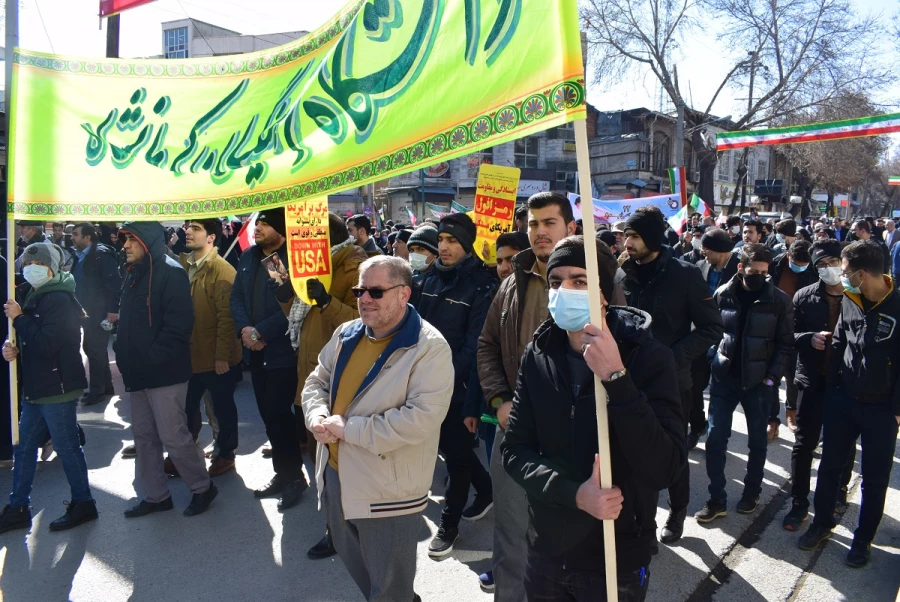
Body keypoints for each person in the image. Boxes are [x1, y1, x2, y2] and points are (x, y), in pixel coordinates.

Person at [502, 235, 686, 601]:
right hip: (546, 550)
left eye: (580, 281)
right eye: (556, 282)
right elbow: (515, 451)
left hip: (615, 557)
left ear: (603, 292)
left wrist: (617, 380)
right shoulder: (537, 354)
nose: (564, 291)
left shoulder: (648, 358)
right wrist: (573, 495)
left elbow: (665, 468)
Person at [301, 256, 453, 602]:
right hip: (338, 473)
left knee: (388, 585)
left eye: (375, 291)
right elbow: (317, 380)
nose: (363, 298)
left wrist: (347, 429)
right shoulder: (347, 332)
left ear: (404, 295)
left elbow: (420, 420)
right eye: (359, 290)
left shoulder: (429, 347)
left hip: (388, 489)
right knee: (366, 574)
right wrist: (316, 415)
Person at [476, 190, 578, 598]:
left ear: (570, 227)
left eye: (549, 222)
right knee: (511, 531)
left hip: (572, 434)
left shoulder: (595, 280)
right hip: (515, 429)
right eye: (533, 223)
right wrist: (500, 400)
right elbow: (487, 345)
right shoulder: (510, 283)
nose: (539, 231)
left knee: (568, 536)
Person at [617, 205, 724, 545]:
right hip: (625, 381)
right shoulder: (621, 274)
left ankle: (678, 511)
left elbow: (711, 328)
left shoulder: (686, 274)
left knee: (672, 454)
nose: (626, 243)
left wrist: (671, 357)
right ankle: (640, 519)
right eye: (625, 236)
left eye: (633, 237)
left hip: (673, 382)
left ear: (650, 238)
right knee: (630, 452)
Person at [797, 240, 900, 567]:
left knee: (874, 478)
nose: (839, 278)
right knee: (829, 467)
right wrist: (834, 389)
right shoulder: (852, 298)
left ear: (861, 273)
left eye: (844, 272)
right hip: (843, 401)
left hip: (882, 411)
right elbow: (841, 339)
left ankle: (863, 540)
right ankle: (821, 523)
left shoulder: (897, 304)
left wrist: (897, 411)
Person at [275, 212, 367, 560]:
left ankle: (342, 531)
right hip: (314, 369)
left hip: (340, 376)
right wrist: (289, 293)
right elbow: (301, 313)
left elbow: (363, 320)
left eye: (304, 241)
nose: (298, 248)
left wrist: (327, 301)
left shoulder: (353, 263)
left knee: (338, 461)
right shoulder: (313, 265)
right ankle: (336, 523)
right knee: (322, 457)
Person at [115, 222, 218, 518]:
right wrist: (126, 358)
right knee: (145, 437)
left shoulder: (171, 272)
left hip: (165, 373)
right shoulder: (133, 273)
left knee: (173, 436)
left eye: (131, 241)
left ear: (146, 242)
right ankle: (157, 495)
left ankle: (202, 487)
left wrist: (149, 358)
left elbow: (178, 327)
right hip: (138, 374)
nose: (125, 246)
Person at [414, 212, 498, 558]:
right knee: (450, 449)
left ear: (466, 245)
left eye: (452, 241)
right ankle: (487, 489)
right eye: (442, 240)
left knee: (458, 456)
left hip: (458, 387)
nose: (443, 246)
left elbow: (475, 344)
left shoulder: (482, 284)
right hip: (423, 382)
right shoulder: (427, 278)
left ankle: (449, 525)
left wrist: (441, 376)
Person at [0, 243, 97, 534]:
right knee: (25, 447)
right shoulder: (32, 295)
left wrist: (19, 319)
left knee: (67, 447)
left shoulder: (59, 299)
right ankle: (18, 505)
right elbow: (30, 339)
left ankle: (84, 502)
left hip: (58, 387)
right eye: (28, 264)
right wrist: (11, 348)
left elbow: (47, 343)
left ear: (52, 268)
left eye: (38, 264)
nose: (31, 269)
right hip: (36, 386)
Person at [695, 243, 793, 524]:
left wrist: (772, 377)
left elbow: (785, 345)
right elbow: (712, 331)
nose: (759, 277)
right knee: (715, 439)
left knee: (758, 442)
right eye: (753, 271)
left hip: (759, 383)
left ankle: (752, 492)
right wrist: (714, 358)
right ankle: (716, 499)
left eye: (764, 272)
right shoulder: (723, 294)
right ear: (740, 269)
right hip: (724, 379)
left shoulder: (780, 301)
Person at [230, 207, 308, 510]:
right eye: (256, 222)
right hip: (256, 351)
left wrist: (260, 331)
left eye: (264, 223)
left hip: (283, 352)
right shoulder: (249, 257)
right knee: (267, 415)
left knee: (279, 413)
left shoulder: (288, 259)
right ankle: (283, 473)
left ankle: (294, 478)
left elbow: (293, 307)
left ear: (281, 228)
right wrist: (245, 329)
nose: (257, 227)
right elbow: (236, 297)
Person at [782, 240, 857, 532]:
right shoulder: (804, 296)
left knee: (842, 443)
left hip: (846, 384)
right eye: (821, 265)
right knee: (804, 445)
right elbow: (789, 334)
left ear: (844, 262)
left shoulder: (857, 296)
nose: (828, 269)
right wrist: (808, 338)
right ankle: (799, 502)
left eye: (832, 262)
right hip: (813, 381)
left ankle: (839, 491)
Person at [178, 219, 242, 477]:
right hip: (189, 355)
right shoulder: (182, 264)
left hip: (216, 357)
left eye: (196, 228)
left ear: (211, 237)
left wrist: (222, 356)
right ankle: (185, 454)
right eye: (187, 227)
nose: (188, 232)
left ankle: (226, 454)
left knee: (222, 408)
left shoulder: (222, 270)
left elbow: (227, 318)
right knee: (186, 407)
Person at [687, 227, 740, 449]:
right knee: (693, 386)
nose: (703, 254)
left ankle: (715, 434)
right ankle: (698, 425)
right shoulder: (699, 267)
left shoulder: (740, 270)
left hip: (728, 340)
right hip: (700, 336)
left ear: (720, 250)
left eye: (707, 249)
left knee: (719, 391)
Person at [769, 240, 817, 435]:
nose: (800, 268)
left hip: (797, 328)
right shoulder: (774, 266)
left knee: (792, 376)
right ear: (788, 256)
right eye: (797, 263)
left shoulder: (813, 272)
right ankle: (772, 419)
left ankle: (791, 411)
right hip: (772, 326)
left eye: (804, 265)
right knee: (771, 376)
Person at [70, 222, 121, 406]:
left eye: (76, 234)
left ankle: (97, 391)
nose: (72, 237)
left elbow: (114, 284)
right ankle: (105, 387)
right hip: (87, 313)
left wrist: (113, 310)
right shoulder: (81, 255)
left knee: (94, 350)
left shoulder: (101, 255)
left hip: (99, 313)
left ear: (87, 237)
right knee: (94, 350)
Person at [407, 225, 439, 306]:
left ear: (435, 253)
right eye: (411, 250)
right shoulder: (407, 277)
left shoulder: (442, 281)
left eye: (421, 249)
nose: (415, 254)